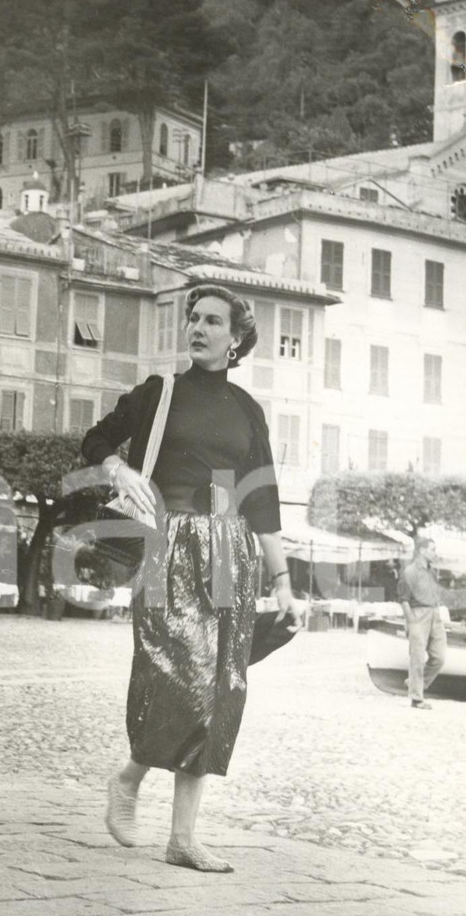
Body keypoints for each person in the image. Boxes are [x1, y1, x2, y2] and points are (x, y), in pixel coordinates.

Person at [81, 283, 302, 874]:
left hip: (230, 547)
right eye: (193, 320)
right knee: (173, 670)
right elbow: (96, 438)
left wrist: (282, 580)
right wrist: (117, 467)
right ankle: (128, 779)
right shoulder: (161, 394)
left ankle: (182, 836)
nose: (198, 329)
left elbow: (264, 502)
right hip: (169, 542)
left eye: (212, 322)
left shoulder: (248, 411)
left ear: (236, 339)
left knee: (219, 685)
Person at [397, 534, 447, 709]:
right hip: (418, 615)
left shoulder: (432, 571)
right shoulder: (410, 572)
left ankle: (414, 684)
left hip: (435, 614)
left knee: (440, 657)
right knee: (417, 658)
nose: (435, 553)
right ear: (422, 550)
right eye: (432, 549)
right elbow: (403, 599)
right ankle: (417, 698)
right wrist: (411, 622)